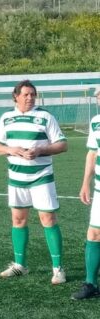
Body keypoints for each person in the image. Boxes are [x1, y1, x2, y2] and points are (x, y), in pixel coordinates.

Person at [0, 80, 68, 284]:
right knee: (18, 220)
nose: (30, 98)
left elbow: (62, 145)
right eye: (25, 94)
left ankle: (58, 268)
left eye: (33, 94)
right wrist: (11, 150)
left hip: (41, 176)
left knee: (48, 219)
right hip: (16, 178)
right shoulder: (6, 118)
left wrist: (41, 150)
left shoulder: (45, 117)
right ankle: (20, 265)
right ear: (15, 96)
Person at [74, 88, 100, 300]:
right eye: (98, 96)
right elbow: (92, 153)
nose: (99, 99)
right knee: (94, 234)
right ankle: (91, 284)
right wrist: (85, 183)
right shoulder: (96, 122)